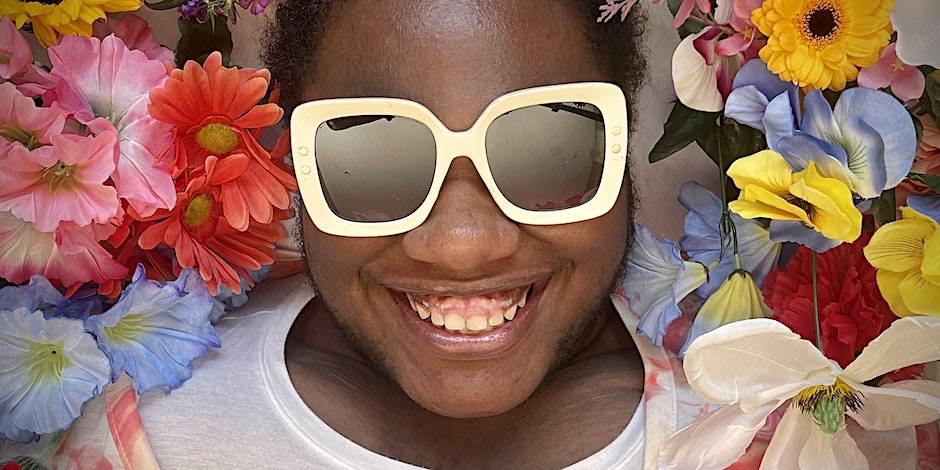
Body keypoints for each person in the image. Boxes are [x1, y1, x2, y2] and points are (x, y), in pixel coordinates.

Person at [0, 0, 929, 468]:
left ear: (620, 148)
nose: (463, 244)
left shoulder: (750, 445)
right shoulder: (149, 442)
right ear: (292, 161)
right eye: (372, 152)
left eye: (548, 144)